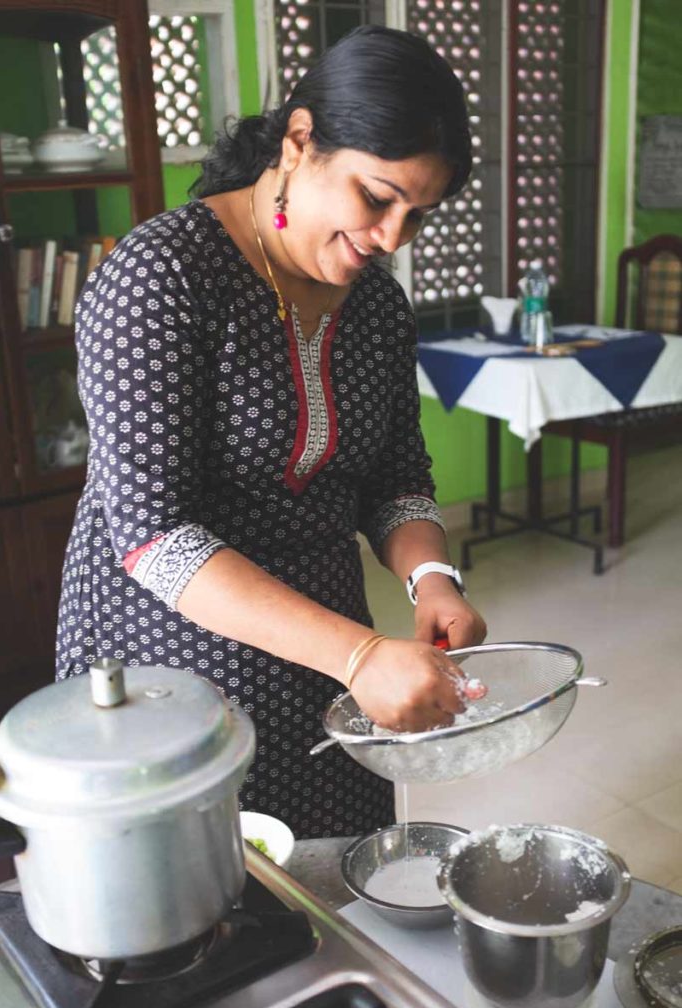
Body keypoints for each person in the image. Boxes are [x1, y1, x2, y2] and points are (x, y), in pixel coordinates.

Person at [56, 25, 487, 838]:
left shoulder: (374, 305)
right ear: (298, 142)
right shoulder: (163, 277)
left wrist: (431, 577)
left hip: (325, 649)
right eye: (376, 197)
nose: (392, 238)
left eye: (416, 215)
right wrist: (359, 656)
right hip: (170, 661)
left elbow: (395, 476)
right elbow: (153, 536)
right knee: (207, 902)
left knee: (330, 888)